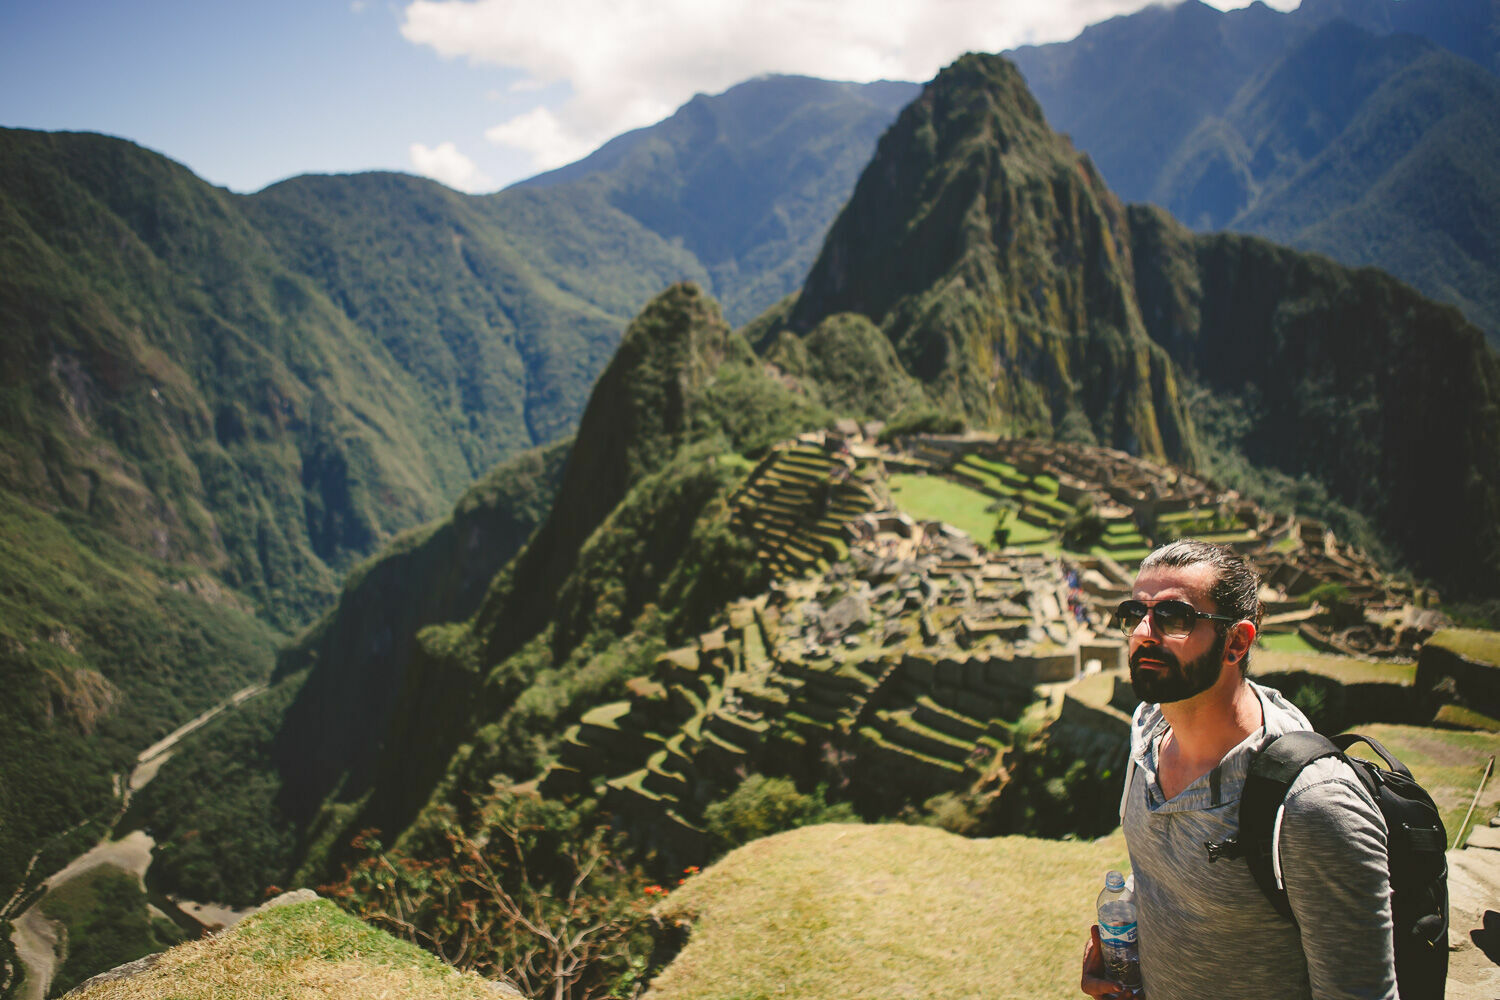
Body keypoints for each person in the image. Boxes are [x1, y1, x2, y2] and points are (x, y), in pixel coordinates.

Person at [1081, 540, 1396, 1000]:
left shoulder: (1313, 808)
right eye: (1135, 613)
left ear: (1236, 643)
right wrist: (1127, 966)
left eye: (1174, 618)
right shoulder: (1147, 732)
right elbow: (1166, 880)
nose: (1145, 632)